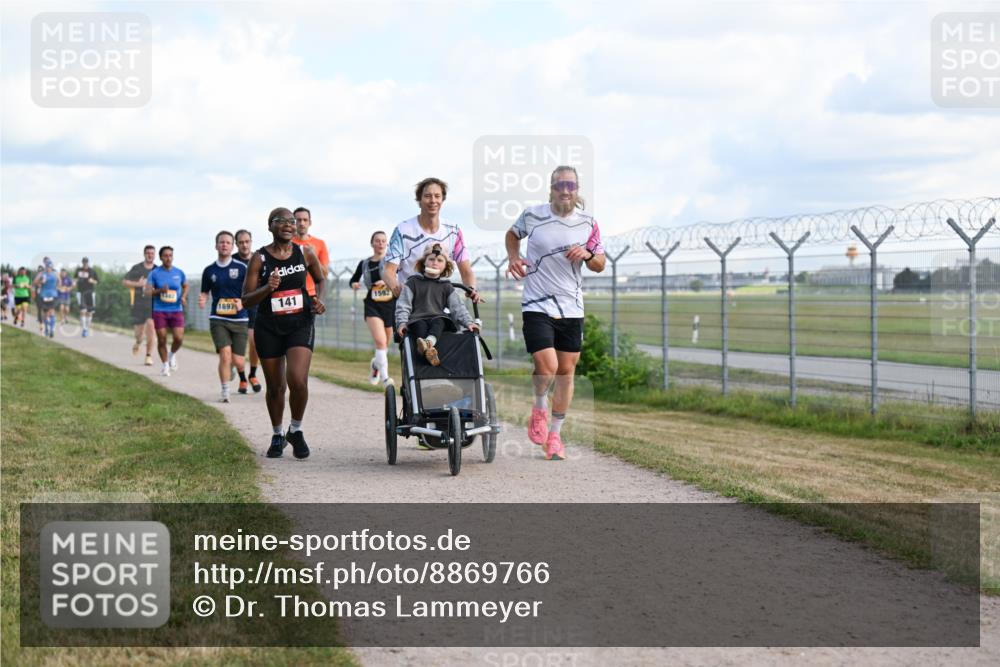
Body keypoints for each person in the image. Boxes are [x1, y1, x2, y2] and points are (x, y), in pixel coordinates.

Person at [506, 165, 606, 461]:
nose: (565, 190)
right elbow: (512, 234)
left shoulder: (589, 223)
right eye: (560, 184)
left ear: (577, 190)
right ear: (551, 188)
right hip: (537, 302)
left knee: (566, 373)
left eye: (571, 185)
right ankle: (539, 407)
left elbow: (600, 263)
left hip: (571, 307)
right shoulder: (533, 215)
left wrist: (587, 254)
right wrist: (514, 256)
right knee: (546, 366)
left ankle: (555, 436)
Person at [242, 207, 327, 459]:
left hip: (300, 323)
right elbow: (246, 300)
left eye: (292, 221)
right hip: (269, 326)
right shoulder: (260, 259)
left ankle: (296, 430)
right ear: (270, 226)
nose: (289, 225)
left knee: (298, 380)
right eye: (282, 221)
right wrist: (268, 287)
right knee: (276, 387)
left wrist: (319, 300)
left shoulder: (305, 252)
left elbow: (321, 280)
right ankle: (278, 434)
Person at [382, 177, 480, 303]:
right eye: (427, 196)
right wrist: (397, 289)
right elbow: (388, 271)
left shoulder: (453, 231)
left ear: (442, 199)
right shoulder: (403, 230)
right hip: (411, 301)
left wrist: (471, 288)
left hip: (440, 301)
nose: (433, 200)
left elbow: (466, 271)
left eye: (437, 196)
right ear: (419, 200)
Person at [395, 243, 479, 365]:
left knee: (440, 321)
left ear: (445, 266)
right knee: (419, 325)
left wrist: (469, 322)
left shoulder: (446, 286)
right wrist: (401, 322)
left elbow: (457, 307)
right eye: (431, 259)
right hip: (417, 318)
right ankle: (429, 351)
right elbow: (403, 305)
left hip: (437, 317)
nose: (435, 262)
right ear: (424, 262)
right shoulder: (413, 282)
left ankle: (427, 344)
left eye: (440, 260)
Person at [199, 231, 250, 403]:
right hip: (218, 318)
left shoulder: (242, 268)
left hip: (240, 319)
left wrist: (243, 302)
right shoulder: (209, 270)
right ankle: (225, 390)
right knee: (225, 355)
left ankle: (234, 368)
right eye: (221, 242)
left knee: (239, 361)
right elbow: (205, 292)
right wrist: (203, 299)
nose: (225, 245)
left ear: (232, 246)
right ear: (216, 246)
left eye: (228, 242)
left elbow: (251, 291)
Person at [350, 230, 395, 386]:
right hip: (372, 305)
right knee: (380, 341)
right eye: (377, 240)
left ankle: (376, 365)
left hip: (390, 305)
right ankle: (385, 378)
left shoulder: (392, 262)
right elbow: (354, 280)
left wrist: (388, 281)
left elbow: (401, 279)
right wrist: (354, 284)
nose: (380, 243)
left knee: (385, 344)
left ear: (387, 243)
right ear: (372, 243)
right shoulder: (364, 264)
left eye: (383, 241)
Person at [146, 246, 188, 377]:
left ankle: (172, 354)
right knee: (162, 339)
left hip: (176, 309)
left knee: (179, 338)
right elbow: (147, 292)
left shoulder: (179, 272)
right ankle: (165, 365)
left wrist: (184, 296)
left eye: (170, 255)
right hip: (160, 310)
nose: (168, 258)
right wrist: (159, 291)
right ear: (161, 257)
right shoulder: (154, 273)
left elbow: (186, 285)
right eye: (165, 256)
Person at [235, 229, 262, 393]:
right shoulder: (232, 261)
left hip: (254, 306)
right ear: (236, 244)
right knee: (236, 347)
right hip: (236, 307)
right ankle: (242, 379)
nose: (244, 245)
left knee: (254, 342)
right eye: (241, 242)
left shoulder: (258, 259)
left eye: (247, 241)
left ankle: (252, 374)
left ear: (251, 242)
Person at [123, 245, 157, 366]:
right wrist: (138, 284)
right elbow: (125, 282)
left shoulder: (158, 270)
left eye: (152, 253)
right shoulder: (137, 269)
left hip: (152, 304)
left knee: (151, 327)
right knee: (139, 334)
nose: (150, 255)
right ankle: (138, 342)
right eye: (148, 253)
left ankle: (148, 356)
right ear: (144, 254)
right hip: (138, 304)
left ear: (155, 255)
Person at [291, 207, 330, 299]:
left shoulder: (320, 243)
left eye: (305, 220)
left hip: (311, 294)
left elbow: (324, 274)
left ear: (310, 223)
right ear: (293, 222)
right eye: (298, 220)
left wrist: (313, 257)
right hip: (290, 293)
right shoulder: (286, 243)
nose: (302, 223)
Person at [33, 261, 59, 338]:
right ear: (46, 267)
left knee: (51, 312)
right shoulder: (43, 274)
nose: (48, 269)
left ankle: (51, 330)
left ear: (51, 267)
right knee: (46, 314)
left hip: (51, 295)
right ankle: (48, 329)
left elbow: (59, 282)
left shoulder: (53, 274)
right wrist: (40, 282)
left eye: (49, 267)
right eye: (47, 267)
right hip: (44, 295)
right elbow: (35, 282)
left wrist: (55, 287)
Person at [75, 256, 99, 337]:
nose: (85, 264)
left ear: (88, 263)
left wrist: (93, 281)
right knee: (82, 311)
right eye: (83, 262)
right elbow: (74, 279)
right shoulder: (78, 270)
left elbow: (98, 281)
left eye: (86, 262)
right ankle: (84, 329)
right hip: (81, 292)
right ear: (82, 263)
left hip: (90, 293)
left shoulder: (92, 271)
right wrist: (74, 282)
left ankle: (87, 327)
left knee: (89, 312)